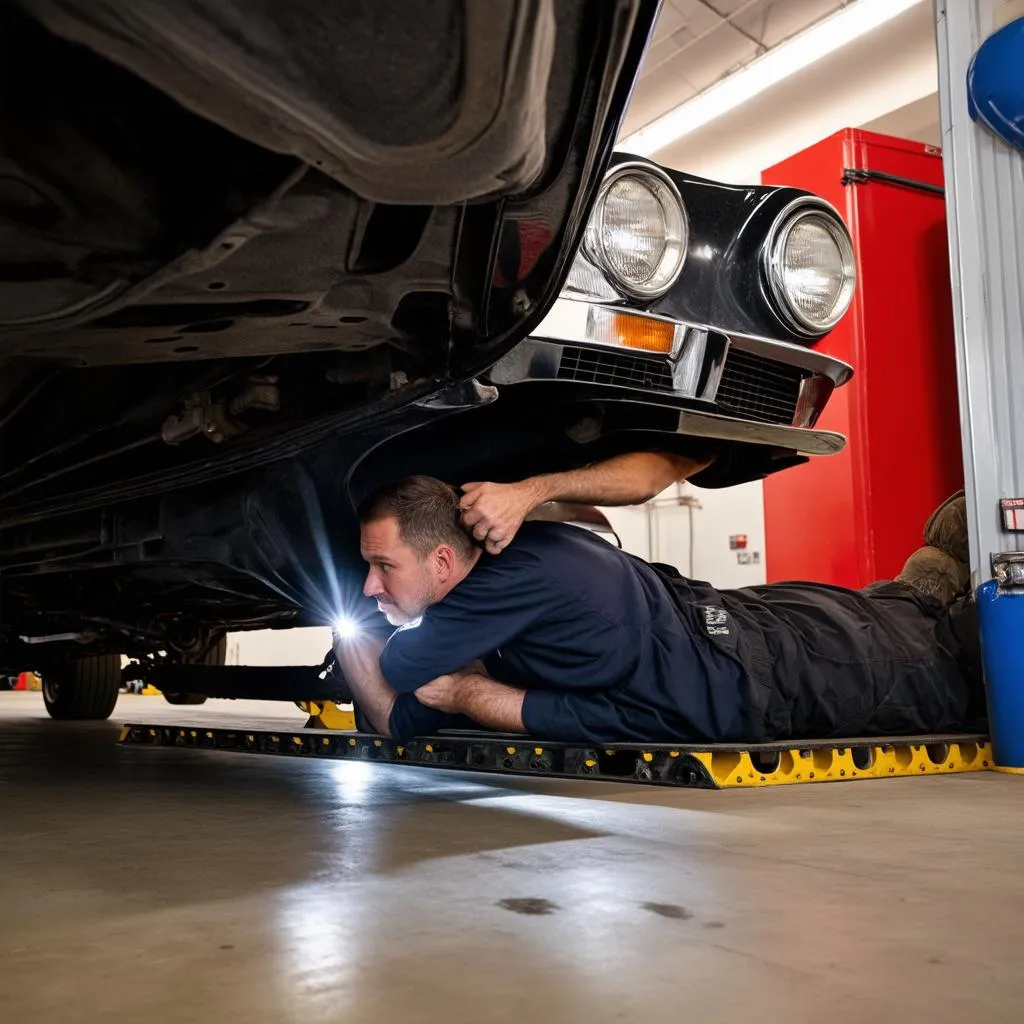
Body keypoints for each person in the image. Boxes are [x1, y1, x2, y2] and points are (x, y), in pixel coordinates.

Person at [333, 455, 982, 745]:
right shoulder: (521, 555)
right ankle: (924, 591)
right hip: (736, 622)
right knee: (880, 618)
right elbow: (408, 717)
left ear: (443, 561)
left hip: (762, 677)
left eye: (381, 566)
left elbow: (396, 684)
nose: (370, 587)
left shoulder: (490, 602)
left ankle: (956, 606)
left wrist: (466, 689)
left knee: (948, 670)